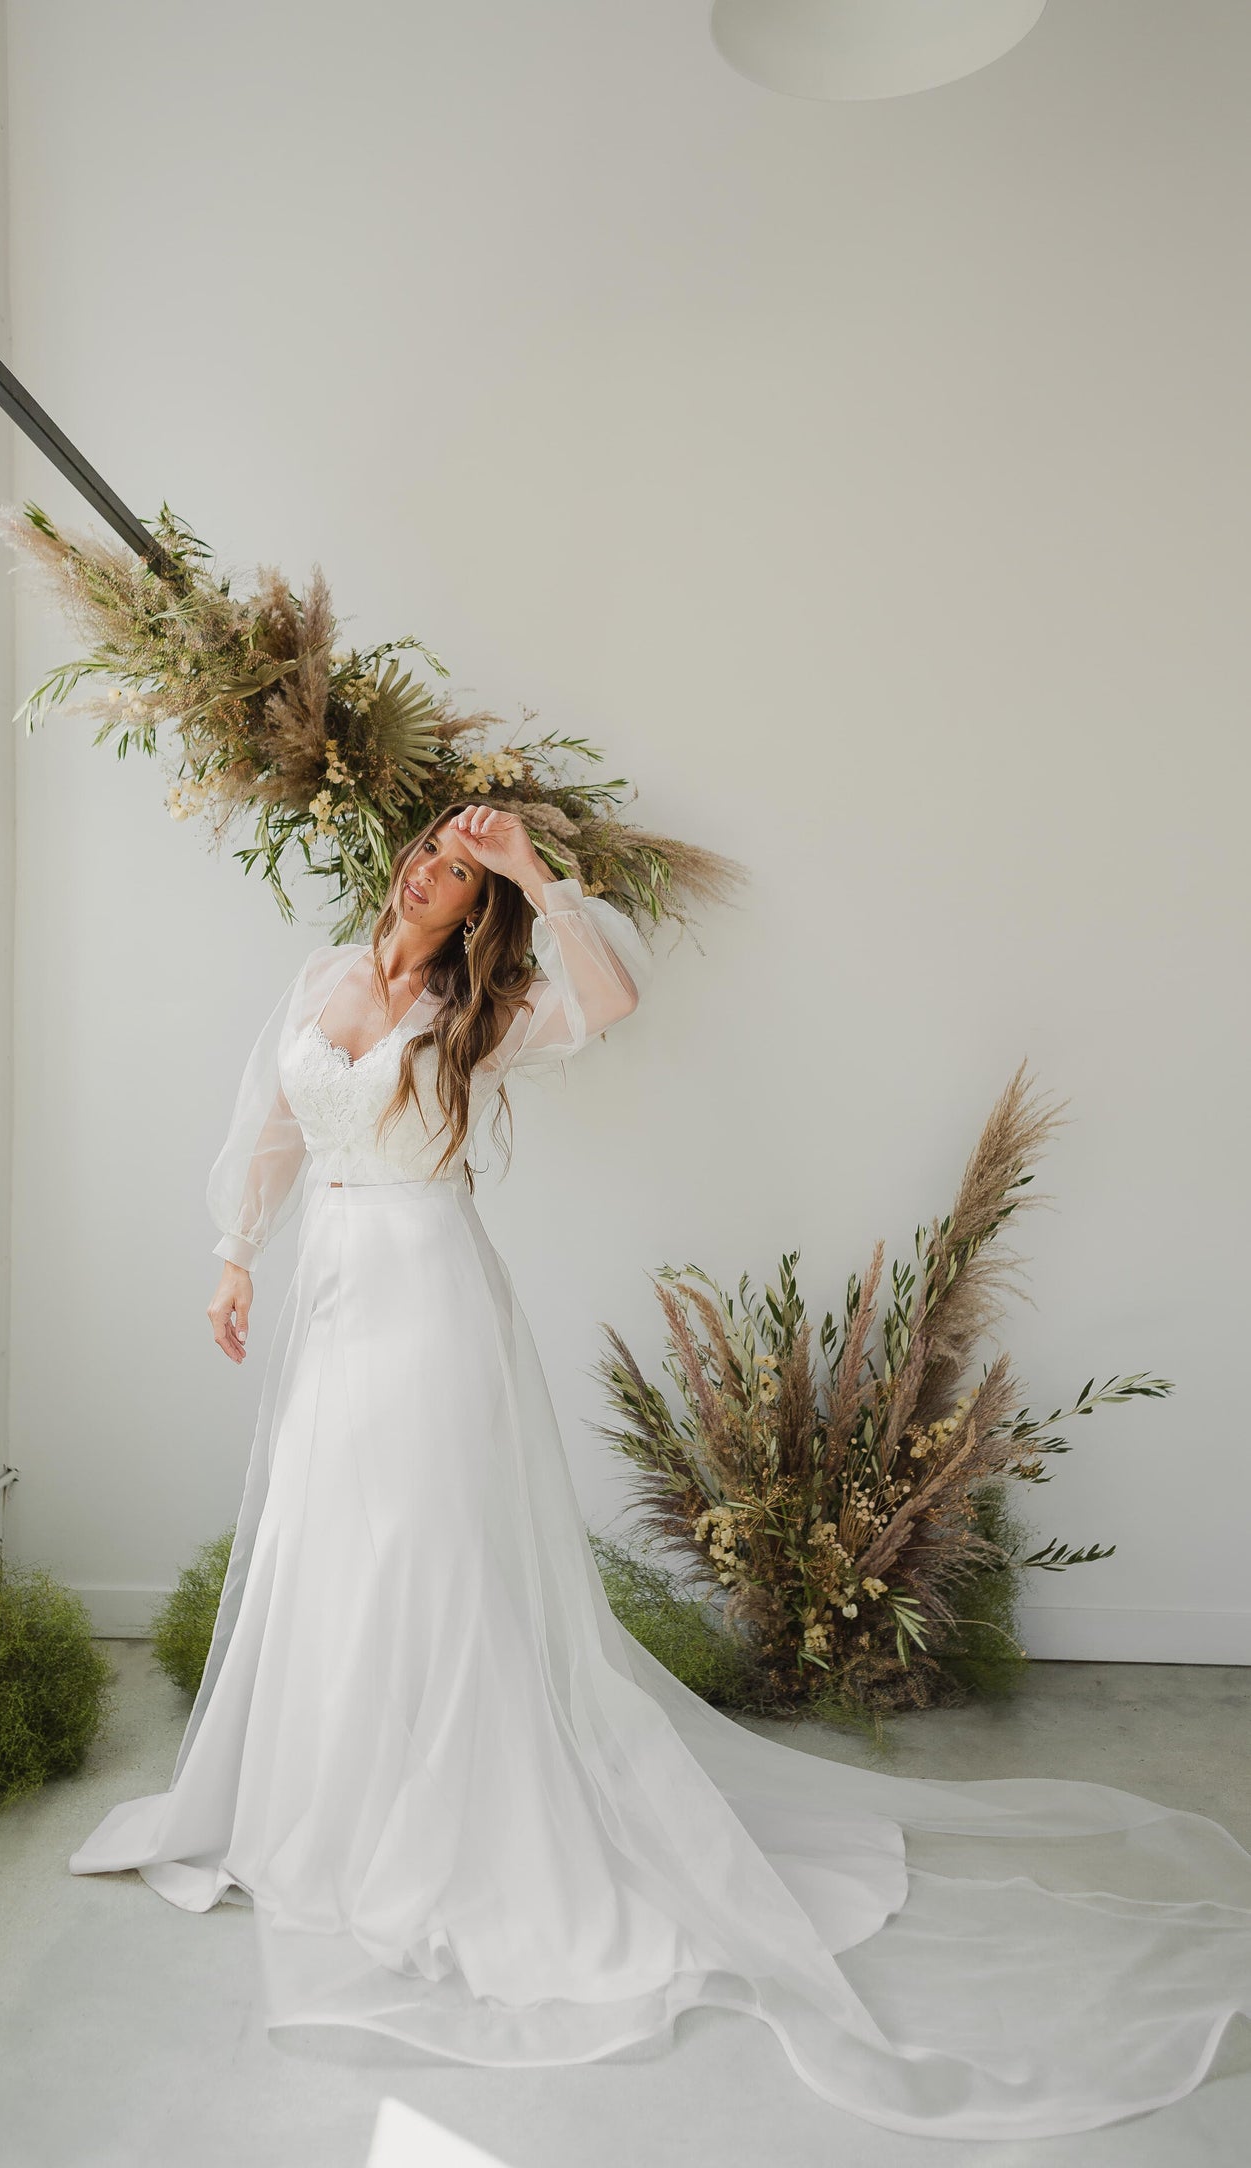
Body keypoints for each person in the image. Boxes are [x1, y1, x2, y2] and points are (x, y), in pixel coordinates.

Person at [69, 803, 1250, 2138]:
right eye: (428, 856)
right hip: (331, 1286)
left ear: (476, 908)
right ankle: (323, 1797)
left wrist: (529, 868)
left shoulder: (482, 1011)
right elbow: (272, 1128)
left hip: (429, 1284)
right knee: (328, 1532)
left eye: (458, 875)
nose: (426, 878)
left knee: (430, 1540)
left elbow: (611, 995)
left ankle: (445, 1812)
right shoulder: (319, 979)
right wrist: (233, 1255)